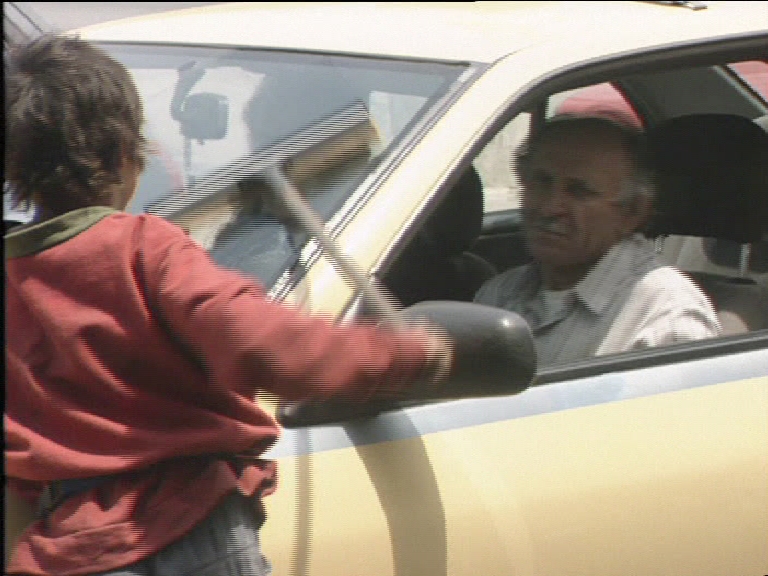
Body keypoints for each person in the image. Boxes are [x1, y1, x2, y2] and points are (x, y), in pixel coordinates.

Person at [4, 34, 452, 575]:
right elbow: (262, 344)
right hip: (189, 531)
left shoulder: (14, 275)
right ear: (124, 154)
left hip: (67, 542)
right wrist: (406, 354)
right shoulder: (144, 247)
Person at [474, 115, 721, 366]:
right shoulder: (501, 293)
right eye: (542, 182)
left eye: (579, 191)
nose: (549, 208)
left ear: (632, 212)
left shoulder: (663, 316)